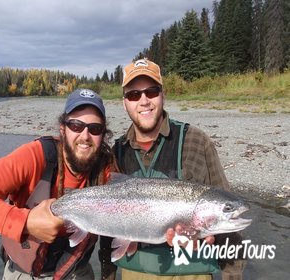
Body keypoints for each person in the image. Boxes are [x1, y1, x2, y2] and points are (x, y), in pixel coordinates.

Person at [99, 58, 245, 280]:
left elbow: (230, 230)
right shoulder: (116, 152)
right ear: (125, 103)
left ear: (163, 95)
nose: (144, 101)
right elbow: (106, 227)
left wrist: (233, 276)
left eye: (152, 91)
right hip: (134, 272)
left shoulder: (196, 141)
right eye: (134, 94)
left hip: (192, 272)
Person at [0, 88, 117, 280]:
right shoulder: (36, 157)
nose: (85, 136)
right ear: (63, 129)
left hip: (78, 272)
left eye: (95, 129)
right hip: (24, 273)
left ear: (103, 135)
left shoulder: (107, 170)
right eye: (76, 126)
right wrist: (25, 222)